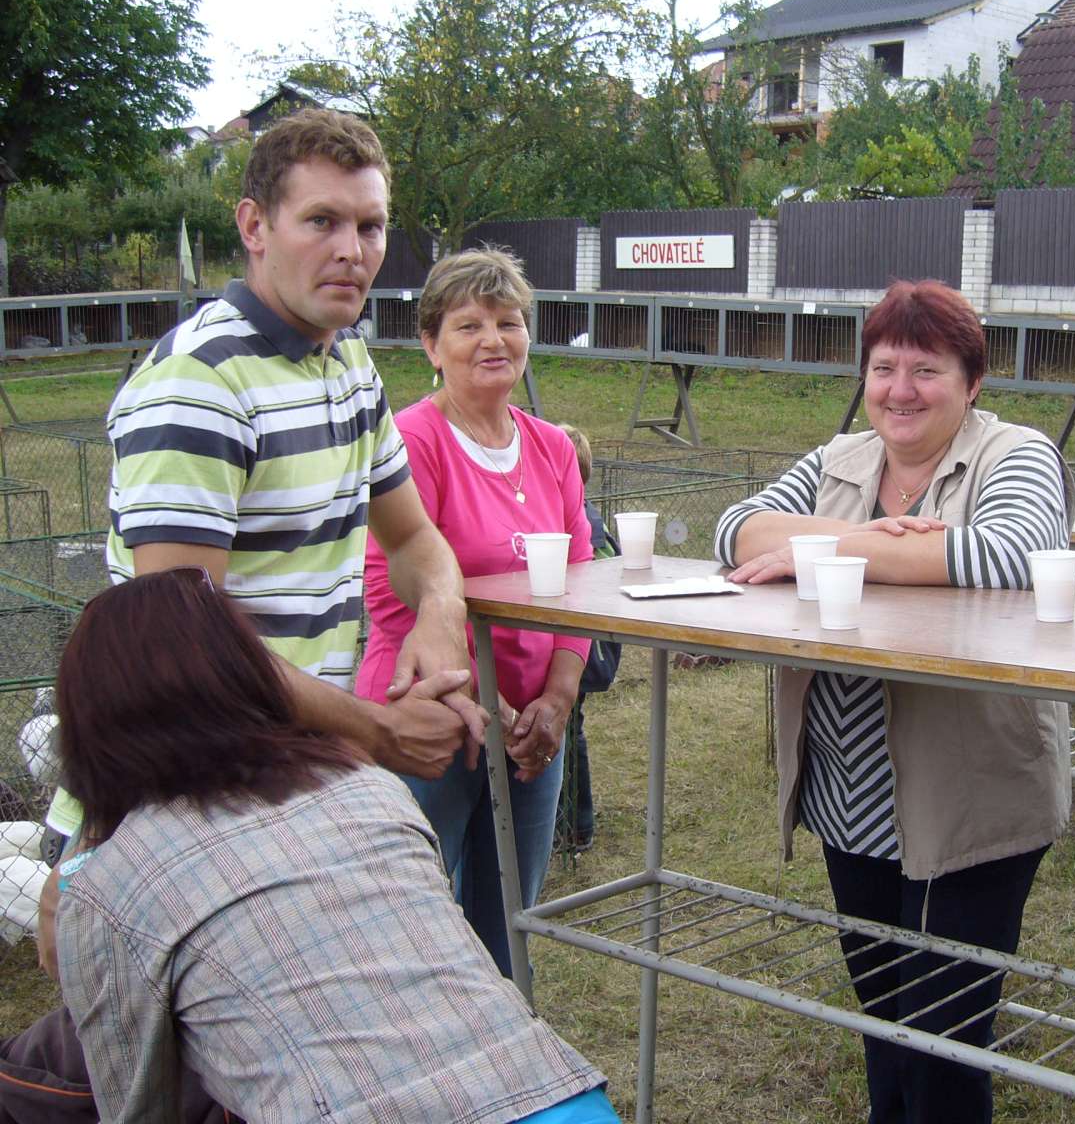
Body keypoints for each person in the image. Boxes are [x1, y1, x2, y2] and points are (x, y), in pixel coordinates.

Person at [2, 109, 481, 1123]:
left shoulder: (347, 363)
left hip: (276, 779)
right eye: (322, 222)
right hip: (165, 794)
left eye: (370, 225)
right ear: (254, 226)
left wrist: (440, 621)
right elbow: (186, 655)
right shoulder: (199, 383)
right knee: (144, 1086)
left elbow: (414, 541)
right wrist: (377, 729)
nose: (353, 250)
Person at [51, 567, 621, 1124]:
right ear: (254, 677)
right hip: (561, 1099)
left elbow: (137, 1106)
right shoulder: (367, 787)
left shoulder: (111, 888)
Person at [713, 279, 1074, 1124]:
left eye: (926, 370)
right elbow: (736, 529)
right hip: (852, 788)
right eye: (883, 368)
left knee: (943, 1036)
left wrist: (817, 551)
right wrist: (872, 540)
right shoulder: (838, 460)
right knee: (882, 1015)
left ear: (972, 382)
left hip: (971, 793)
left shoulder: (1016, 454)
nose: (900, 390)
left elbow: (1009, 556)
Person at [358, 248, 594, 977]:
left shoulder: (552, 448)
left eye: (508, 322)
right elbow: (388, 588)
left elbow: (582, 584)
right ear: (431, 346)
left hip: (530, 732)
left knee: (509, 929)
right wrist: (479, 706)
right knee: (409, 931)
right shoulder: (411, 441)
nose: (494, 340)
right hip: (427, 718)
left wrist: (557, 702)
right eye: (469, 326)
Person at [554, 423, 622, 854]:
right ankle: (571, 823)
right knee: (568, 728)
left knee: (568, 730)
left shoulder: (582, 521)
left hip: (574, 646)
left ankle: (577, 825)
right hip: (570, 642)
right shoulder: (583, 512)